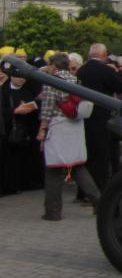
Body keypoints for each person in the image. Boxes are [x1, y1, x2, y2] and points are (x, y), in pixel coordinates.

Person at [37, 53, 102, 221]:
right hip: (75, 127)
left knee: (53, 170)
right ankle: (101, 204)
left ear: (53, 65)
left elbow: (48, 108)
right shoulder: (75, 80)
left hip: (58, 128)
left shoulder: (51, 82)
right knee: (77, 167)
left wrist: (42, 129)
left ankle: (53, 212)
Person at [76, 43, 122, 194]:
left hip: (84, 117)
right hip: (102, 117)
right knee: (101, 156)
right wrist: (116, 71)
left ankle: (83, 192)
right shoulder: (106, 70)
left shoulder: (81, 70)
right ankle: (100, 189)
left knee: (86, 154)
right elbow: (120, 86)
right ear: (104, 55)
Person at [1, 64, 44, 194]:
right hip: (9, 130)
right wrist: (15, 111)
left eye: (23, 78)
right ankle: (10, 186)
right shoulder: (3, 91)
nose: (21, 80)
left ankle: (24, 183)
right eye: (18, 77)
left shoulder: (27, 91)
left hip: (26, 129)